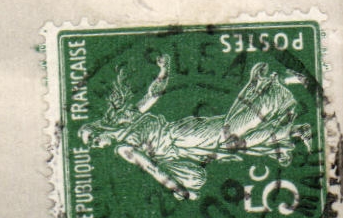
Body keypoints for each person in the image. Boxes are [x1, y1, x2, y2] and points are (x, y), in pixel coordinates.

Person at [79, 55, 314, 200]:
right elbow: (155, 168)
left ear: (100, 128)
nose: (95, 145)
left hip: (180, 135)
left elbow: (154, 95)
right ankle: (293, 131)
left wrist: (165, 70)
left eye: (92, 138)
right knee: (234, 146)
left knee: (230, 133)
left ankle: (275, 84)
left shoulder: (126, 119)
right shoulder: (122, 145)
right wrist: (180, 187)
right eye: (91, 144)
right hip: (178, 156)